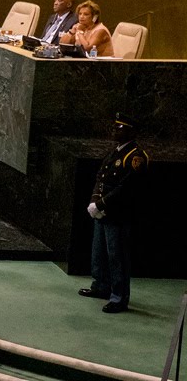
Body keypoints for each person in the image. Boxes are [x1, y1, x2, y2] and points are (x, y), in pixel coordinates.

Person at [79, 115, 149, 314]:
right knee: (98, 252)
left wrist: (101, 203)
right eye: (115, 127)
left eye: (120, 128)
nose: (114, 131)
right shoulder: (115, 153)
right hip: (103, 212)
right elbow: (101, 177)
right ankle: (101, 286)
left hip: (119, 214)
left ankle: (119, 298)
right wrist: (94, 201)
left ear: (131, 132)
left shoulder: (136, 157)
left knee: (117, 257)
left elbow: (126, 189)